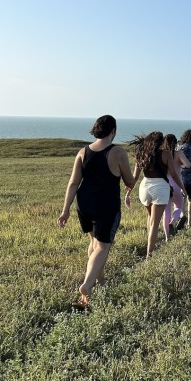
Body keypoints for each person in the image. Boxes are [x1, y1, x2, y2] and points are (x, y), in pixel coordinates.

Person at [57, 115, 136, 308]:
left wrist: (65, 210)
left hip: (84, 204)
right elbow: (129, 182)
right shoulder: (117, 152)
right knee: (102, 246)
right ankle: (87, 284)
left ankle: (100, 282)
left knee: (94, 242)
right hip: (106, 205)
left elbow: (73, 183)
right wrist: (136, 172)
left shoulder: (82, 152)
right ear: (113, 131)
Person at [127, 131, 187, 257]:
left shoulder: (141, 154)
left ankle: (150, 245)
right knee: (155, 223)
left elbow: (135, 177)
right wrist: (182, 188)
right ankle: (150, 254)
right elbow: (174, 174)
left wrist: (128, 193)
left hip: (144, 187)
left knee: (150, 217)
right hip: (160, 188)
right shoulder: (165, 154)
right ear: (161, 141)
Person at [161, 134, 190, 238]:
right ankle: (173, 223)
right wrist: (180, 164)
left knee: (166, 211)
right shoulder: (178, 153)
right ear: (176, 142)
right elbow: (188, 165)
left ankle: (167, 237)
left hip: (164, 184)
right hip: (177, 183)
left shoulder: (162, 154)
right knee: (179, 206)